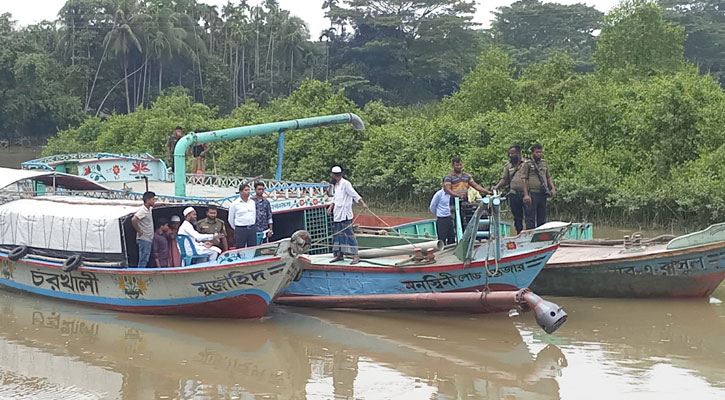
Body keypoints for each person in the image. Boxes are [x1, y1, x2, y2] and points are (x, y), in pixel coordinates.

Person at [328, 165, 367, 264]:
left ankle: (356, 255)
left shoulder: (346, 184)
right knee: (337, 235)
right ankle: (339, 255)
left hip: (345, 214)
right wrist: (331, 207)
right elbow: (335, 198)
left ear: (334, 175)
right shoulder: (335, 185)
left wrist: (363, 203)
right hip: (337, 214)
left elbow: (354, 194)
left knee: (349, 235)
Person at [492, 145, 529, 234]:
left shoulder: (527, 164)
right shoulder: (508, 166)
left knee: (529, 215)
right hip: (514, 193)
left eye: (513, 153)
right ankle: (519, 233)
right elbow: (504, 179)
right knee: (517, 216)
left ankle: (529, 233)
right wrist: (496, 187)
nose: (510, 155)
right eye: (510, 153)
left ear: (518, 153)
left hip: (527, 193)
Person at [524, 143, 556, 229]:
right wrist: (526, 194)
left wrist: (552, 188)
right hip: (532, 193)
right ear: (532, 153)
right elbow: (524, 179)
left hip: (542, 193)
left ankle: (541, 236)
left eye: (540, 152)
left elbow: (548, 176)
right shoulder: (527, 164)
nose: (539, 154)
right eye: (537, 152)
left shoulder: (544, 163)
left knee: (542, 216)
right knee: (530, 217)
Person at [131, 191, 156, 267]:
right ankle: (140, 274)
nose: (154, 201)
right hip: (144, 239)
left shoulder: (149, 209)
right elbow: (134, 219)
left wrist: (163, 204)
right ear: (148, 200)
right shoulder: (142, 210)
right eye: (153, 199)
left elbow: (154, 205)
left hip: (148, 238)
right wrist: (139, 231)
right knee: (143, 259)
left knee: (146, 258)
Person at [228, 184, 257, 248]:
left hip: (252, 228)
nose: (248, 192)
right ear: (241, 192)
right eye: (246, 190)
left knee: (252, 247)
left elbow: (254, 215)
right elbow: (230, 219)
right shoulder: (235, 204)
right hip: (241, 229)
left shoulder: (252, 202)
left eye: (249, 190)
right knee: (240, 247)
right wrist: (237, 228)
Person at [429, 180, 455, 245]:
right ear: (443, 184)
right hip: (442, 219)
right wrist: (438, 214)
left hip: (450, 218)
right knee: (442, 239)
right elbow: (432, 206)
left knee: (452, 238)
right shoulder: (439, 194)